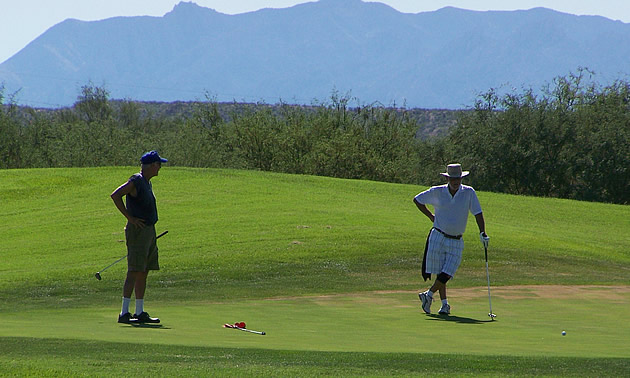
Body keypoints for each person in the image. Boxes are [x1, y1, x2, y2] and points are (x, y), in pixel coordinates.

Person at [413, 163, 489, 315]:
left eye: (458, 179)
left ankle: (428, 295)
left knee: (448, 271)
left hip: (456, 238)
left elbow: (478, 213)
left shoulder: (468, 193)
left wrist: (482, 233)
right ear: (448, 178)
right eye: (453, 178)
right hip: (438, 235)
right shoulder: (437, 191)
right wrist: (430, 216)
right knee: (441, 272)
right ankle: (444, 305)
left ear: (461, 179)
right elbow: (417, 200)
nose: (456, 181)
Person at [111, 150, 167, 324]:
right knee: (134, 269)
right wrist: (131, 218)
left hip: (148, 230)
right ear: (151, 165)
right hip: (138, 231)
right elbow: (116, 195)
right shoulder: (136, 181)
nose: (160, 168)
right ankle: (124, 313)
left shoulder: (147, 182)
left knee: (144, 270)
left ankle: (140, 311)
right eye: (158, 164)